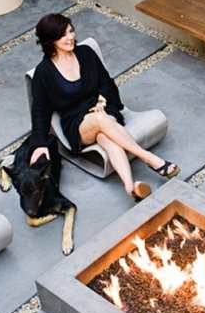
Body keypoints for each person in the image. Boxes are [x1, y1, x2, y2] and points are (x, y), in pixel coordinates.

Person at [29, 13, 179, 200]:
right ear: (50, 40)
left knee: (106, 138)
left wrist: (102, 101)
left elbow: (106, 83)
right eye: (63, 35)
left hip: (104, 110)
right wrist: (40, 143)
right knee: (101, 121)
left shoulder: (85, 53)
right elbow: (40, 111)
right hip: (77, 124)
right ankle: (149, 158)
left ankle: (130, 188)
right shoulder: (44, 73)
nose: (71, 37)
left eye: (71, 31)